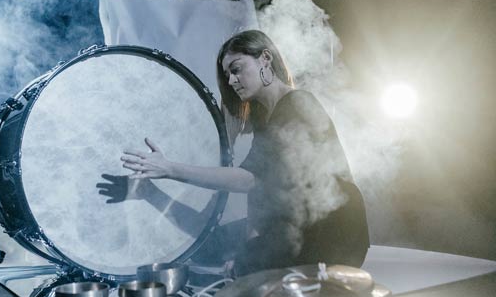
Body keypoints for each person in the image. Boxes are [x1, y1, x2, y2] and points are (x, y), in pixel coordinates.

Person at [120, 30, 369, 276]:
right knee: (210, 247)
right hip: (294, 226)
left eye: (236, 69)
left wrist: (169, 168)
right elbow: (259, 193)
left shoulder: (297, 103)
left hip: (332, 233)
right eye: (228, 75)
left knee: (236, 266)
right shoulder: (265, 117)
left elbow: (249, 179)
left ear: (265, 59)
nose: (231, 81)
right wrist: (251, 247)